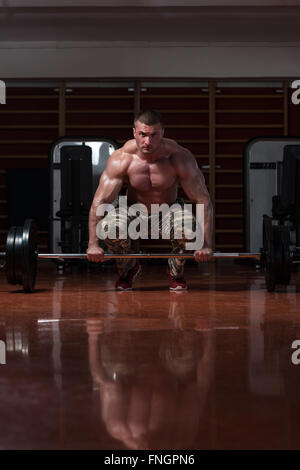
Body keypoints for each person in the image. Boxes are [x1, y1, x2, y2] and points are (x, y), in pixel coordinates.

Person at [87, 109, 213, 290]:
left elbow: (203, 201)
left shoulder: (179, 157)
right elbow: (100, 201)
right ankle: (128, 270)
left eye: (154, 135)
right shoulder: (122, 159)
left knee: (190, 230)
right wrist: (93, 244)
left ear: (163, 132)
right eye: (143, 135)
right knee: (109, 228)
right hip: (133, 210)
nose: (148, 141)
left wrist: (207, 245)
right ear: (134, 132)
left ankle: (175, 271)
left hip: (167, 210)